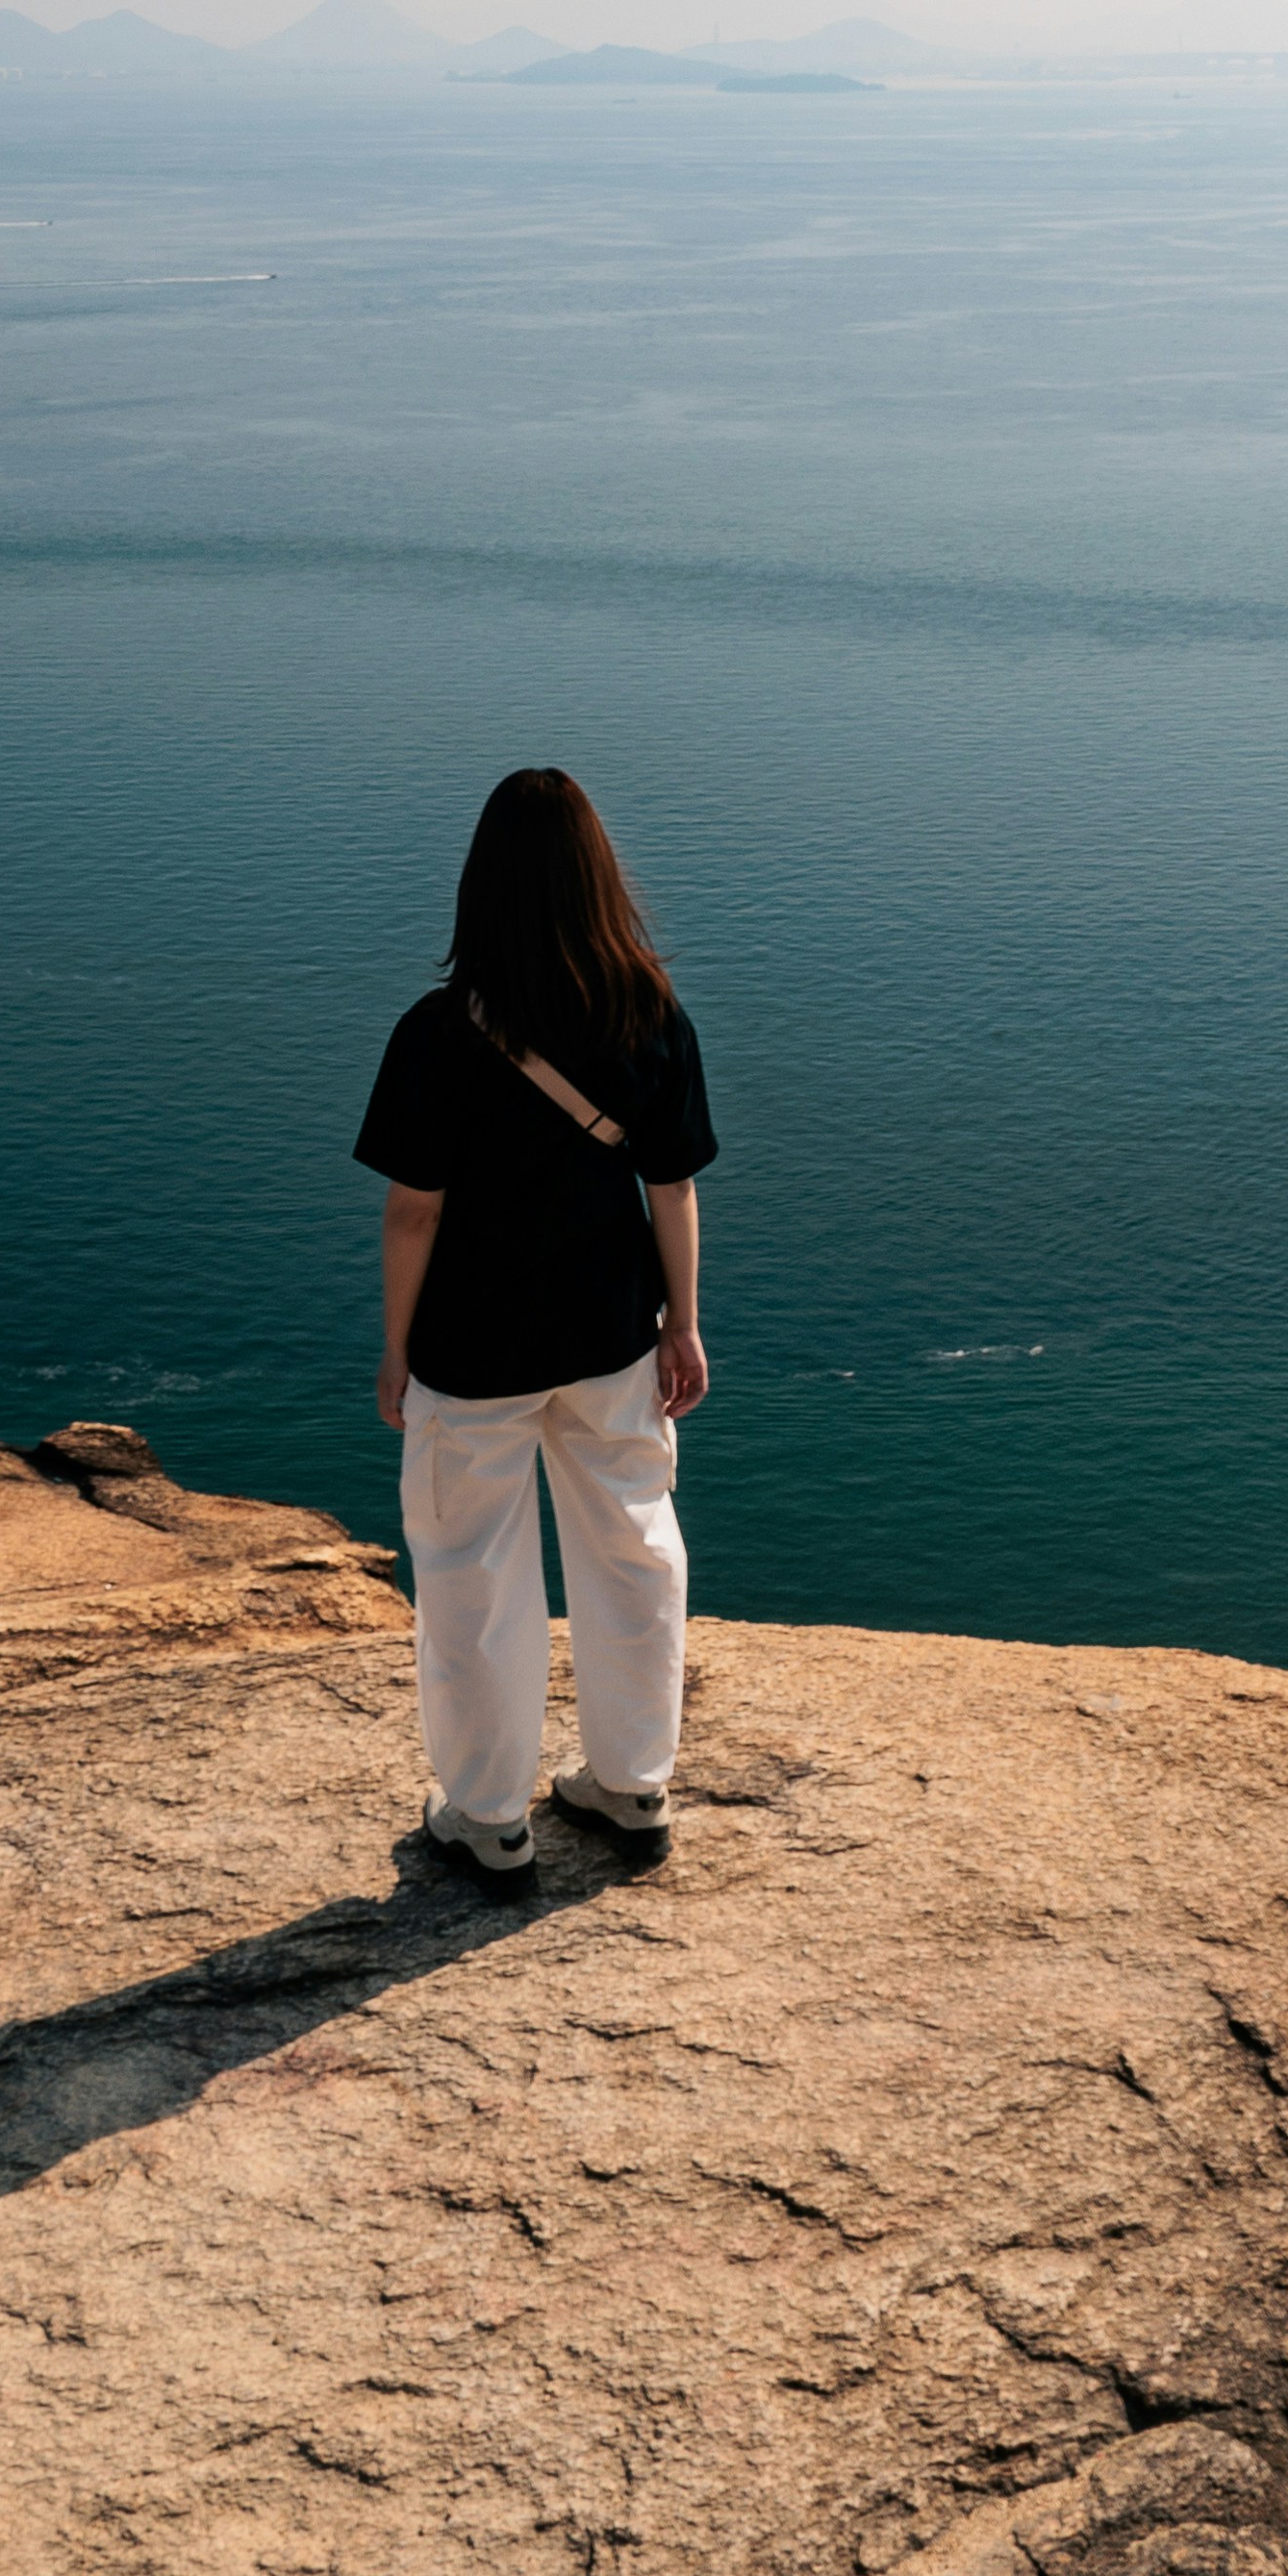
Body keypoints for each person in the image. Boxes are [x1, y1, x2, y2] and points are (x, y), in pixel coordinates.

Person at [354, 765, 717, 1887]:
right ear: (601, 879)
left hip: (474, 1353)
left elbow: (415, 1211)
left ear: (480, 886)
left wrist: (396, 1348)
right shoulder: (649, 1010)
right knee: (634, 1550)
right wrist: (684, 1326)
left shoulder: (436, 1032)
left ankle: (490, 1816)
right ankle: (634, 1785)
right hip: (613, 1334)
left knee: (471, 1573)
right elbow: (673, 1188)